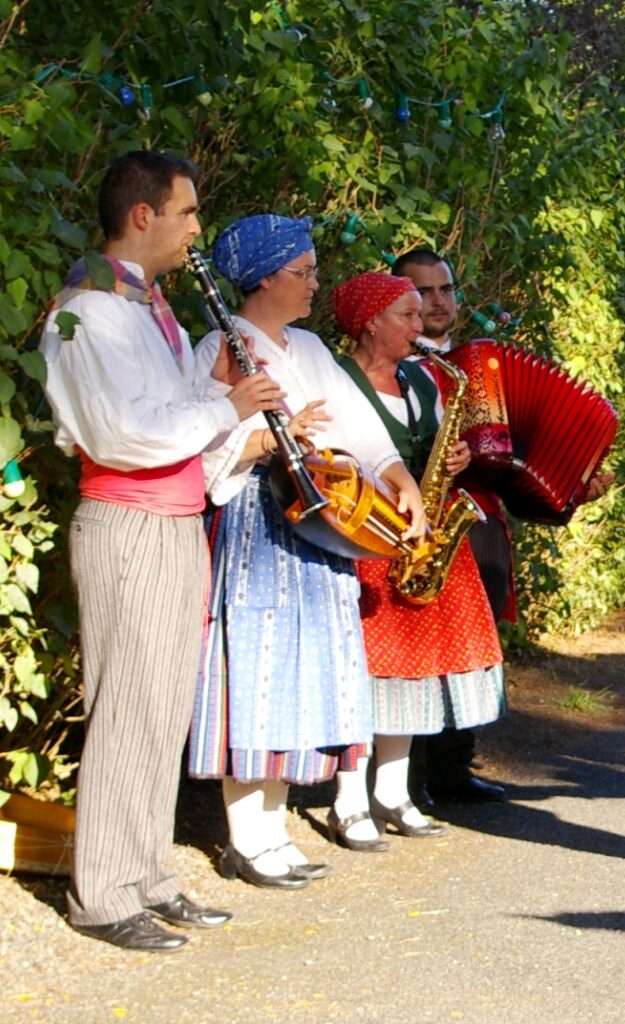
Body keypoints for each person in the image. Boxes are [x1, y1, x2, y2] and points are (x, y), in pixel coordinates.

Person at [40, 151, 284, 951]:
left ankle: (148, 875)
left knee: (162, 706)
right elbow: (122, 433)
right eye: (185, 214)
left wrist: (216, 389)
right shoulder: (88, 310)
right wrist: (225, 403)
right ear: (141, 215)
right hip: (127, 524)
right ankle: (104, 896)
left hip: (175, 524)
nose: (193, 231)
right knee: (126, 709)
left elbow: (178, 412)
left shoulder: (157, 311)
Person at [187, 215, 427, 876]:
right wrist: (267, 438)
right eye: (304, 272)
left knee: (304, 672)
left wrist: (399, 476)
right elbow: (202, 448)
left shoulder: (311, 349)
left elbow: (360, 428)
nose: (316, 283)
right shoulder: (221, 344)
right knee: (258, 670)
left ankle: (274, 823)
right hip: (259, 524)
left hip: (322, 527)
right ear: (266, 277)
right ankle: (245, 834)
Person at [327, 271, 508, 847]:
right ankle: (349, 796)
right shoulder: (338, 377)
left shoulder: (422, 380)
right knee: (369, 669)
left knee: (415, 668)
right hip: (367, 535)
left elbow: (429, 448)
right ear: (369, 322)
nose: (418, 324)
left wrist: (450, 457)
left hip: (427, 534)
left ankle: (393, 791)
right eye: (405, 315)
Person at [391, 249, 509, 805]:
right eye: (424, 292)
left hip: (479, 512)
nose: (437, 302)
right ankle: (409, 774)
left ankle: (455, 763)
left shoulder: (477, 362)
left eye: (445, 290)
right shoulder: (397, 363)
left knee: (471, 640)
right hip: (420, 513)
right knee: (419, 638)